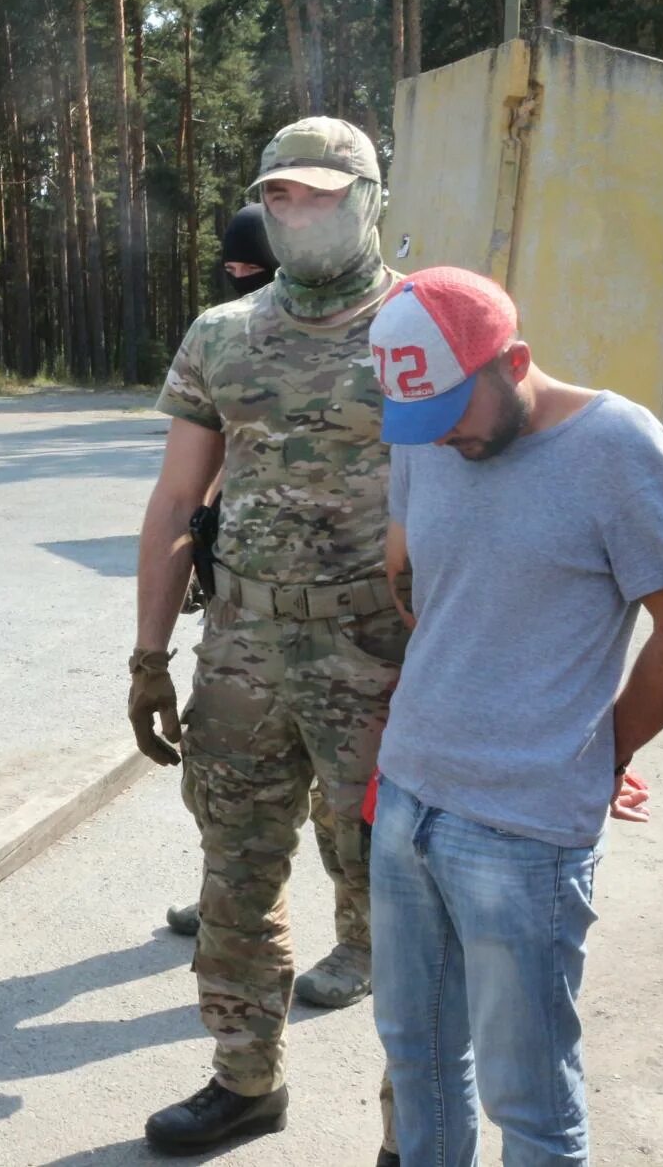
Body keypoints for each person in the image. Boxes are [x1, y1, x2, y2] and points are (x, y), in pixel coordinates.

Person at [367, 266, 663, 1167]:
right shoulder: (427, 428)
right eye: (419, 421)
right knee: (417, 1058)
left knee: (526, 1099)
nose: (439, 439)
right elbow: (407, 569)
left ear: (514, 360)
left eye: (453, 413)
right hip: (407, 796)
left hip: (525, 830)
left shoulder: (620, 449)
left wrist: (604, 749)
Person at [129, 117, 409, 1156]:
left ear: (370, 199)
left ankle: (407, 1118)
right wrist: (148, 654)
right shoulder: (222, 333)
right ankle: (244, 1079)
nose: (298, 213)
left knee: (393, 894)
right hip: (241, 653)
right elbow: (172, 501)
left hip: (379, 659)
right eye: (280, 196)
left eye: (322, 194)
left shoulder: (417, 326)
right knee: (233, 877)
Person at [167, 202, 357, 964]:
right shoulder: (230, 332)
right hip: (249, 613)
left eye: (253, 269)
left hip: (349, 624)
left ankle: (362, 942)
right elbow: (206, 472)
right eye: (233, 271)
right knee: (233, 796)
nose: (240, 280)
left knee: (344, 813)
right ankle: (236, 890)